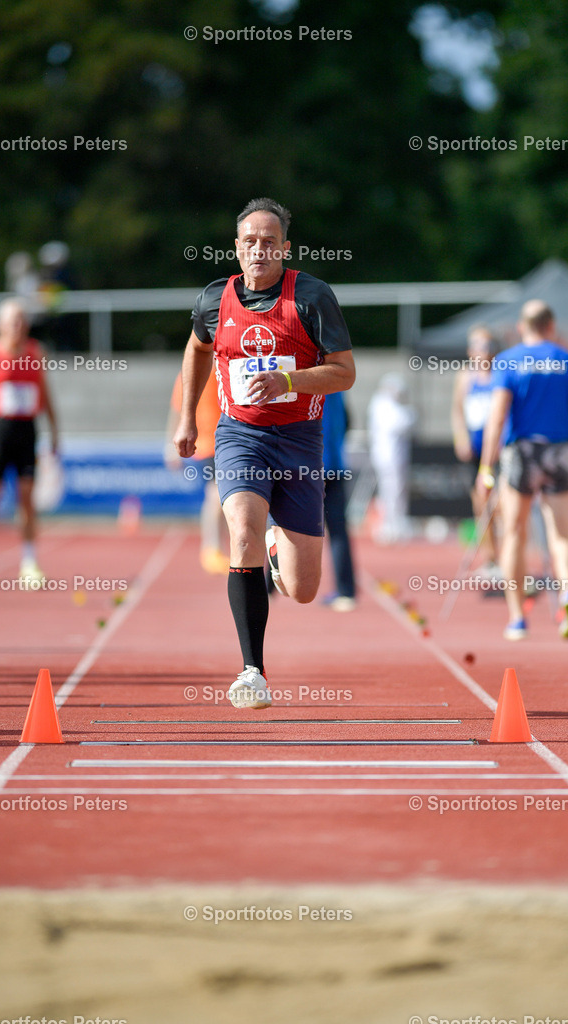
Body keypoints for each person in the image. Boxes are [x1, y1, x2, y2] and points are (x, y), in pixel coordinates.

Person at [173, 197, 355, 709]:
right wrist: (188, 418)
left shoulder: (313, 297)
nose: (259, 249)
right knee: (242, 531)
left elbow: (345, 372)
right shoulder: (214, 299)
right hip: (240, 436)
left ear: (285, 248)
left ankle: (278, 549)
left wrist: (287, 380)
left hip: (299, 440)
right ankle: (252, 670)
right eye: (250, 241)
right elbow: (197, 349)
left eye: (269, 242)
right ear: (237, 247)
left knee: (302, 589)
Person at [477, 299, 568, 640]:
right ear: (551, 326)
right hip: (561, 450)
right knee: (561, 534)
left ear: (521, 327)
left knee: (515, 533)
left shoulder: (507, 360)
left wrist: (485, 467)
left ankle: (517, 617)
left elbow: (497, 417)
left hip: (523, 451)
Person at [0, 298, 59, 588]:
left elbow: (45, 394)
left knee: (27, 498)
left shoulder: (36, 352)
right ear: (0, 324)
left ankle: (29, 563)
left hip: (27, 429)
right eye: (12, 321)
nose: (18, 326)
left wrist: (55, 431)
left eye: (22, 320)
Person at [167, 368, 229, 574]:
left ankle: (215, 548)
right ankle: (211, 549)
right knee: (216, 494)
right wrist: (170, 446)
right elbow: (177, 409)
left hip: (228, 441)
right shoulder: (190, 371)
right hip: (207, 444)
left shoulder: (225, 364)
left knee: (223, 497)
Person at [451, 325, 500, 572]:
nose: (481, 351)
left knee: (501, 505)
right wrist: (461, 438)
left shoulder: (500, 373)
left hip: (497, 451)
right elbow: (457, 410)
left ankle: (506, 556)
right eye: (476, 345)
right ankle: (490, 557)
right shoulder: (465, 375)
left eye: (486, 345)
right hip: (476, 450)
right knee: (481, 504)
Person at [368, 373, 416, 543]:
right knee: (390, 491)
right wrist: (411, 414)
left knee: (397, 490)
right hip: (387, 456)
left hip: (395, 455)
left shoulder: (387, 405)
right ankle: (389, 525)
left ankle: (397, 522)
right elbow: (401, 423)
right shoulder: (382, 404)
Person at [321, 391, 357, 610]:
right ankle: (346, 590)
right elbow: (347, 421)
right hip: (336, 463)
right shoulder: (337, 387)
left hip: (313, 466)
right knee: (338, 529)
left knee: (280, 522)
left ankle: (267, 586)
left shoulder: (309, 384)